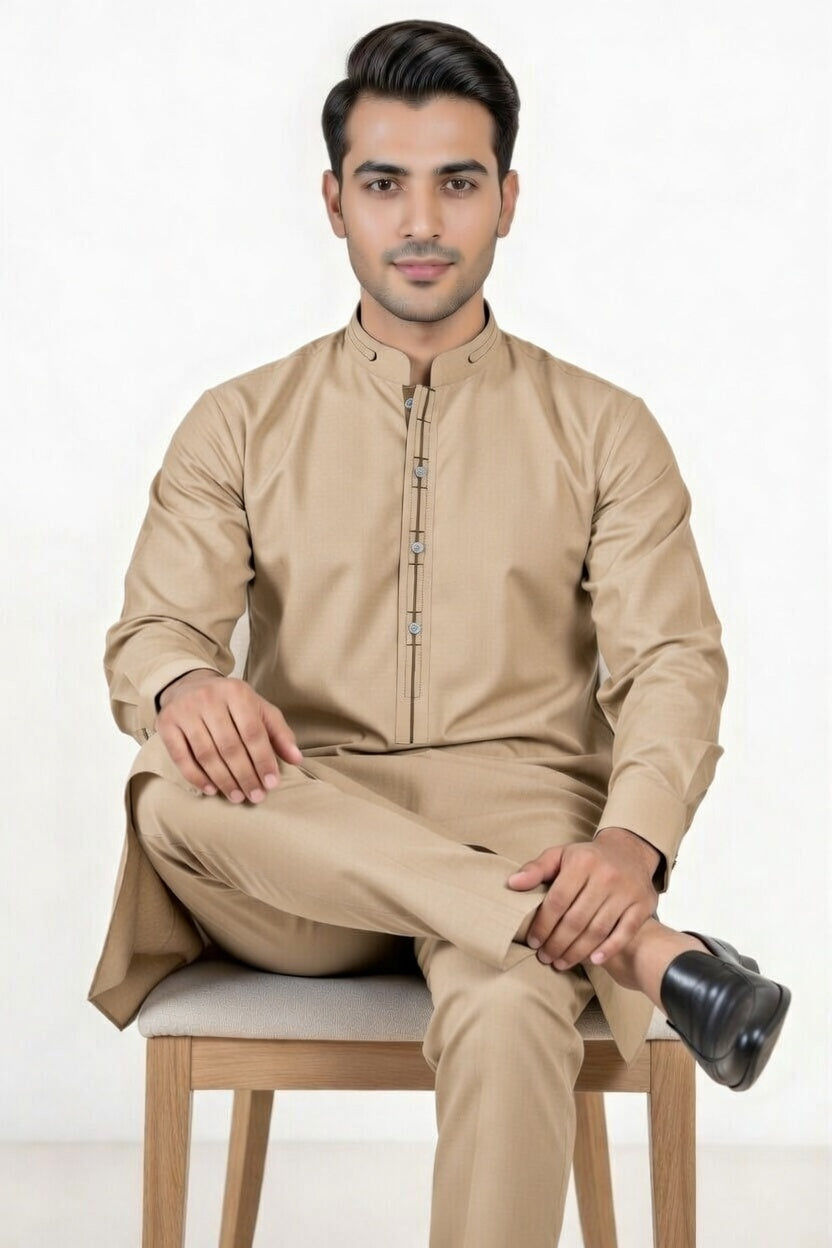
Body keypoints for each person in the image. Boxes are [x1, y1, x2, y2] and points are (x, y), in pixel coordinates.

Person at [87, 19, 791, 1247]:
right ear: (333, 202)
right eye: (384, 183)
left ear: (507, 200)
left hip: (523, 833)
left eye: (456, 183)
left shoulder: (605, 429)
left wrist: (627, 842)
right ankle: (641, 951)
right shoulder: (236, 422)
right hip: (294, 841)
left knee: (517, 999)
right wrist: (186, 681)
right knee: (169, 785)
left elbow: (673, 658)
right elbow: (153, 629)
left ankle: (569, 927)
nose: (420, 219)